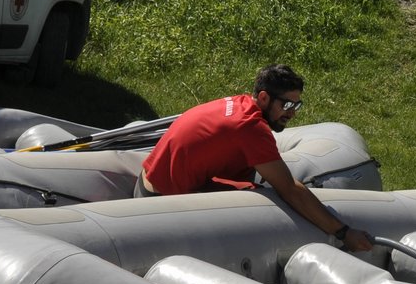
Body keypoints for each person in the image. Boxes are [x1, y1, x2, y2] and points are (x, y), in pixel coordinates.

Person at [140, 65, 374, 253]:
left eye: (297, 105)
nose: (292, 113)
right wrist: (342, 232)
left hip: (149, 179)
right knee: (265, 199)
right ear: (263, 98)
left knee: (249, 178)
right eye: (287, 104)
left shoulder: (240, 104)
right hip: (159, 201)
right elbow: (290, 189)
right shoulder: (250, 128)